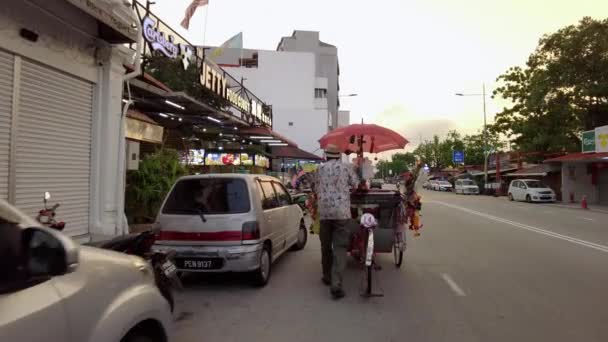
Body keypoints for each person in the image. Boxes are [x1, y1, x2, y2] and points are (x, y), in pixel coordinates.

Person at [313, 144, 358, 299]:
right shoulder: (346, 168)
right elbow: (356, 185)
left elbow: (314, 187)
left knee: (325, 246)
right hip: (341, 213)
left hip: (324, 213)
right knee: (339, 248)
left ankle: (326, 276)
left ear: (326, 156)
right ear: (338, 156)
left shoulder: (319, 169)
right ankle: (336, 284)